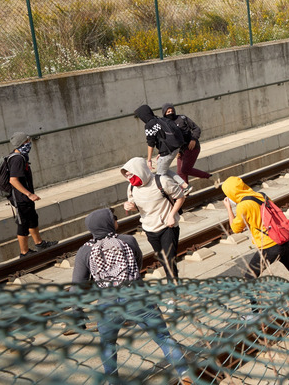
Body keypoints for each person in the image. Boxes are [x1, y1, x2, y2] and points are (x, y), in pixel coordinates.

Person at [70, 208, 193, 384]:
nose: (116, 220)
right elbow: (138, 262)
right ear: (108, 223)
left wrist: (77, 311)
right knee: (163, 338)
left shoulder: (85, 251)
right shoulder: (128, 240)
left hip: (108, 304)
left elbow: (77, 286)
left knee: (107, 345)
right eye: (113, 218)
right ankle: (184, 373)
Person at [221, 176, 289, 281]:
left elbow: (235, 229)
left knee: (249, 277)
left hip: (269, 247)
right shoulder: (261, 195)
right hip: (282, 240)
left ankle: (254, 298)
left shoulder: (243, 206)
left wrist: (228, 208)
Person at [121, 157, 186, 285]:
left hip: (168, 226)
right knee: (163, 260)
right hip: (149, 228)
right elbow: (135, 206)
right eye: (127, 175)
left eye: (131, 174)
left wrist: (172, 215)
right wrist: (129, 206)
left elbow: (180, 197)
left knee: (169, 260)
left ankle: (174, 291)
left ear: (140, 171)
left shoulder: (162, 181)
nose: (129, 178)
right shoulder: (132, 188)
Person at [6, 132, 57, 257]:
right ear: (22, 143)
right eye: (27, 141)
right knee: (23, 223)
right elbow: (13, 180)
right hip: (21, 198)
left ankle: (39, 243)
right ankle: (24, 252)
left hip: (25, 197)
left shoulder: (21, 156)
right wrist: (29, 194)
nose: (29, 143)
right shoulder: (17, 159)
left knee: (32, 218)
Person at [134, 104, 193, 196]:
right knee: (164, 170)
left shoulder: (149, 125)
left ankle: (177, 192)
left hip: (167, 151)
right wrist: (160, 152)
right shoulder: (160, 119)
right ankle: (185, 186)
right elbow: (162, 136)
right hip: (174, 148)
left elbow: (151, 143)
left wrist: (149, 160)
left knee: (160, 176)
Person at [161, 103, 212, 185]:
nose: (170, 113)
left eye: (171, 110)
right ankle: (185, 193)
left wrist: (194, 139)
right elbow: (167, 139)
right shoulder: (165, 124)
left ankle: (209, 176)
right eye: (168, 112)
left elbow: (196, 129)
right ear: (164, 113)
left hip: (191, 147)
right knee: (180, 173)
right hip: (180, 150)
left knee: (185, 170)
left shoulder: (182, 118)